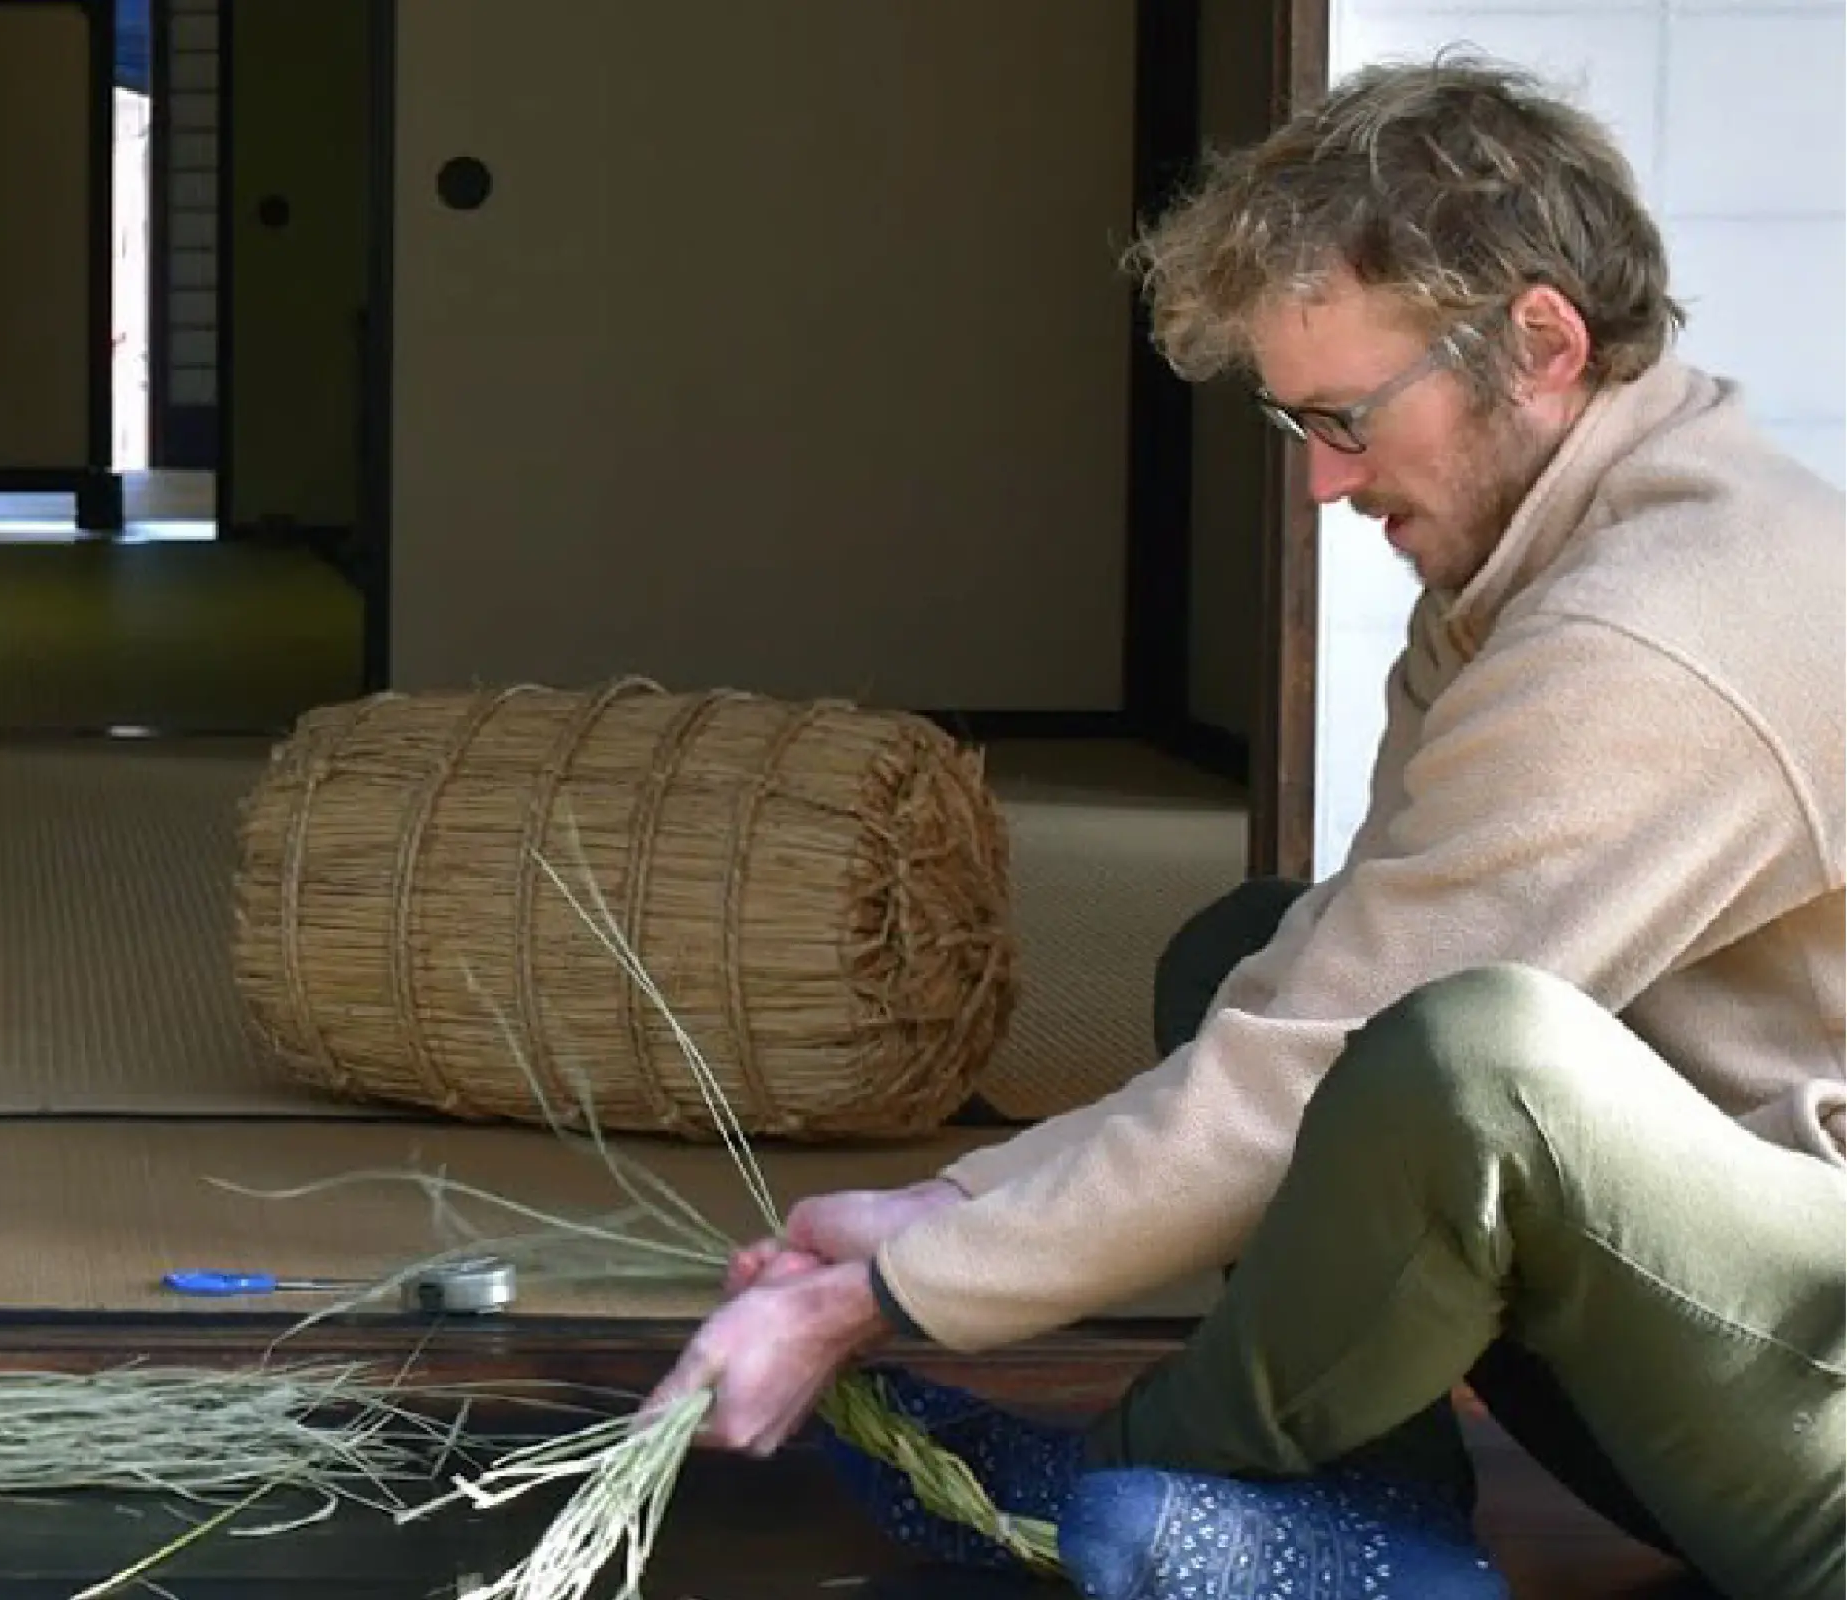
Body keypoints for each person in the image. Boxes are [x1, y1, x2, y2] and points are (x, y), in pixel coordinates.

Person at [642, 55, 1844, 1600]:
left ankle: (1137, 1474)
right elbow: (1313, 1007)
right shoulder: (1532, 570)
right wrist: (954, 1205)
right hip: (1720, 1338)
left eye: (1348, 417)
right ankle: (1368, 1534)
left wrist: (883, 1293)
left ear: (1541, 342)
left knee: (1474, 1064)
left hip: (1817, 1430)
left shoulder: (1648, 639)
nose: (1326, 482)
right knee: (1249, 951)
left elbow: (1348, 1062)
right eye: (1299, 424)